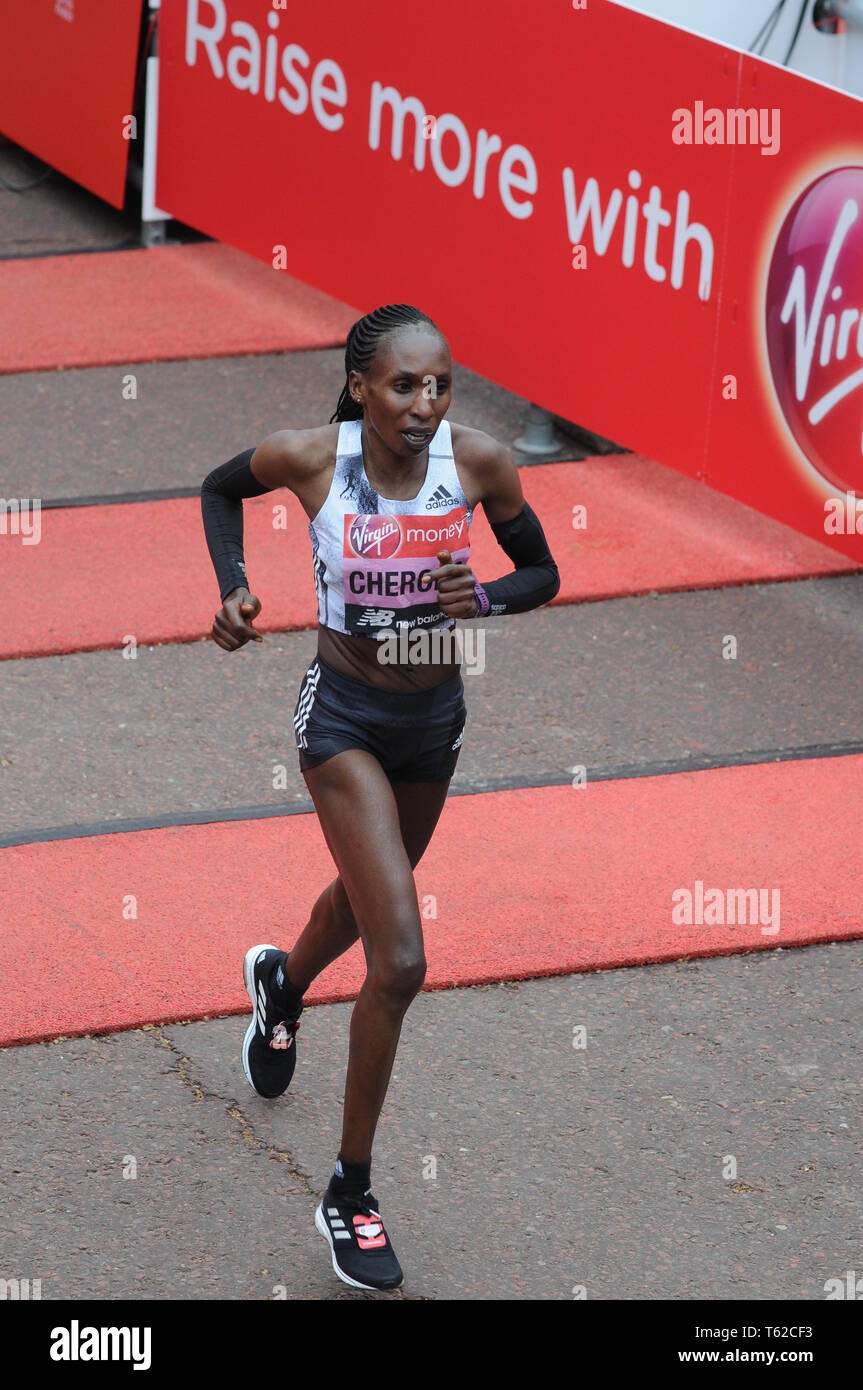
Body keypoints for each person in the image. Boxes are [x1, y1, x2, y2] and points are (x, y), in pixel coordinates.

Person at [201, 303, 560, 1290]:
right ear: (360, 386)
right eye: (403, 385)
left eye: (440, 383)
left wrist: (481, 598)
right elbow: (218, 489)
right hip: (345, 721)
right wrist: (233, 589)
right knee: (399, 955)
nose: (425, 404)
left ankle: (280, 980)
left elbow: (543, 571)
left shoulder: (479, 461)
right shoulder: (311, 457)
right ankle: (349, 1193)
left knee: (364, 902)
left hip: (433, 726)